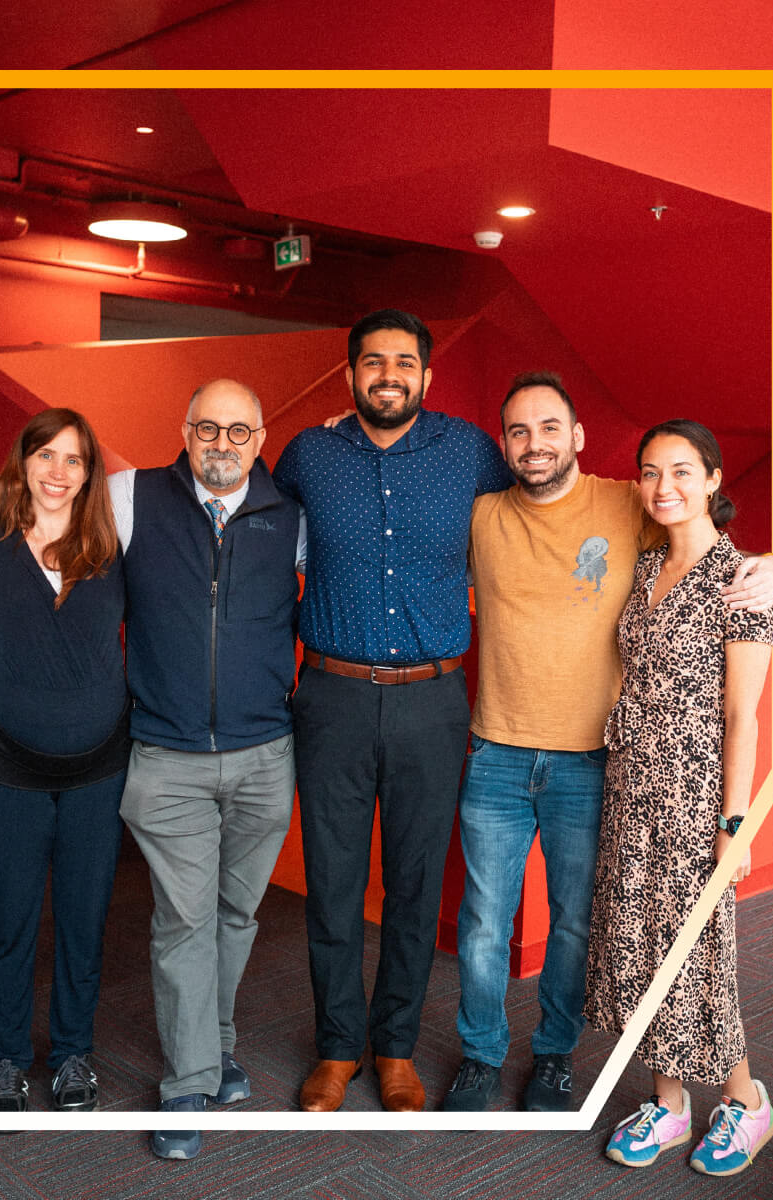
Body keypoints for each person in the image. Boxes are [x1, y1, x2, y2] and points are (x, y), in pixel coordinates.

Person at [447, 374, 773, 1114]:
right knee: (483, 924)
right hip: (500, 755)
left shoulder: (623, 501)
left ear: (577, 437)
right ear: (504, 443)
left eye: (548, 428)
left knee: (578, 924)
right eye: (518, 431)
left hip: (596, 763)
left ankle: (557, 1057)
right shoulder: (480, 515)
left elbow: (709, 537)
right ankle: (480, 1056)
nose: (534, 444)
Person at [272, 310, 513, 1114]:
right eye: (371, 361)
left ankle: (396, 1048)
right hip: (332, 696)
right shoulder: (309, 454)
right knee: (334, 884)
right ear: (349, 375)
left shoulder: (472, 451)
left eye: (403, 363)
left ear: (425, 377)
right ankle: (338, 1048)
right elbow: (258, 539)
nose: (387, 375)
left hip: (433, 699)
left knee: (415, 887)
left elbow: (557, 504)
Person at [112, 379, 301, 1159]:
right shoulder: (131, 497)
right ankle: (188, 1079)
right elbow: (41, 524)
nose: (222, 445)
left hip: (265, 754)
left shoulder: (289, 516)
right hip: (166, 757)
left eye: (239, 432)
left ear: (260, 439)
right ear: (184, 431)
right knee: (183, 920)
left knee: (234, 914)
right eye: (207, 430)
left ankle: (217, 1045)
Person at [587, 420, 773, 1176]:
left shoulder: (743, 579)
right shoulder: (643, 568)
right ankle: (669, 1108)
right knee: (638, 949)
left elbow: (743, 716)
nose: (664, 486)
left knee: (697, 955)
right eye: (650, 472)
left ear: (714, 479)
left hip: (696, 796)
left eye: (681, 471)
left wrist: (736, 824)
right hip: (633, 783)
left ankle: (748, 1103)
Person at [0, 408, 128, 1116]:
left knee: (84, 920)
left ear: (90, 474)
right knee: (11, 920)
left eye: (75, 460)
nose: (59, 472)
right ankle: (5, 1060)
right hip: (8, 766)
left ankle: (71, 1054)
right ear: (22, 460)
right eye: (46, 455)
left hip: (98, 767)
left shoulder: (114, 546)